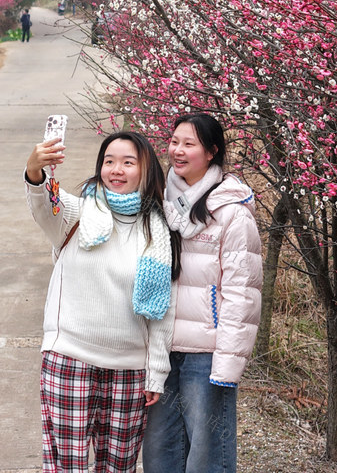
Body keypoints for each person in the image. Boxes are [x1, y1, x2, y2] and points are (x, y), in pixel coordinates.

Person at [25, 131, 180, 473]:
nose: (116, 170)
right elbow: (44, 205)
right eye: (109, 161)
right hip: (70, 360)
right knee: (68, 466)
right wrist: (35, 171)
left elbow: (162, 311)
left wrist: (156, 373)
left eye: (128, 162)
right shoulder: (77, 213)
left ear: (146, 169)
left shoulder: (159, 231)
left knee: (120, 467)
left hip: (130, 372)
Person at [143, 113, 263, 473]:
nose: (177, 151)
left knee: (207, 454)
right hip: (162, 348)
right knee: (160, 450)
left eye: (189, 144)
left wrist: (227, 365)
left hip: (205, 355)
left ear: (211, 152)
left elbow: (243, 294)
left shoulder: (231, 213)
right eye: (174, 142)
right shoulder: (159, 200)